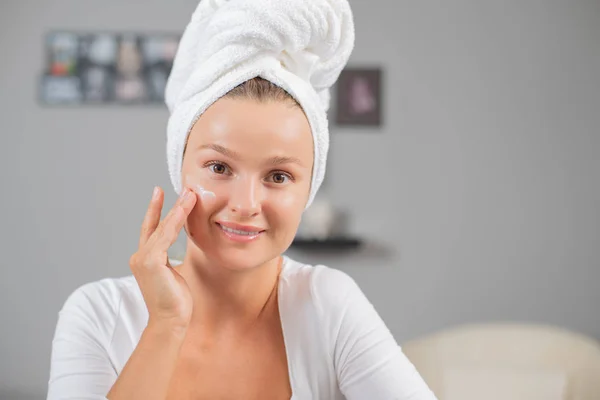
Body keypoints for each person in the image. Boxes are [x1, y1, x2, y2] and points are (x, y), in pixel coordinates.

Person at [47, 0, 437, 399]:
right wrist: (166, 324)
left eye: (279, 176)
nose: (247, 203)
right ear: (180, 169)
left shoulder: (328, 305)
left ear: (308, 191)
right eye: (219, 167)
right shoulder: (99, 315)